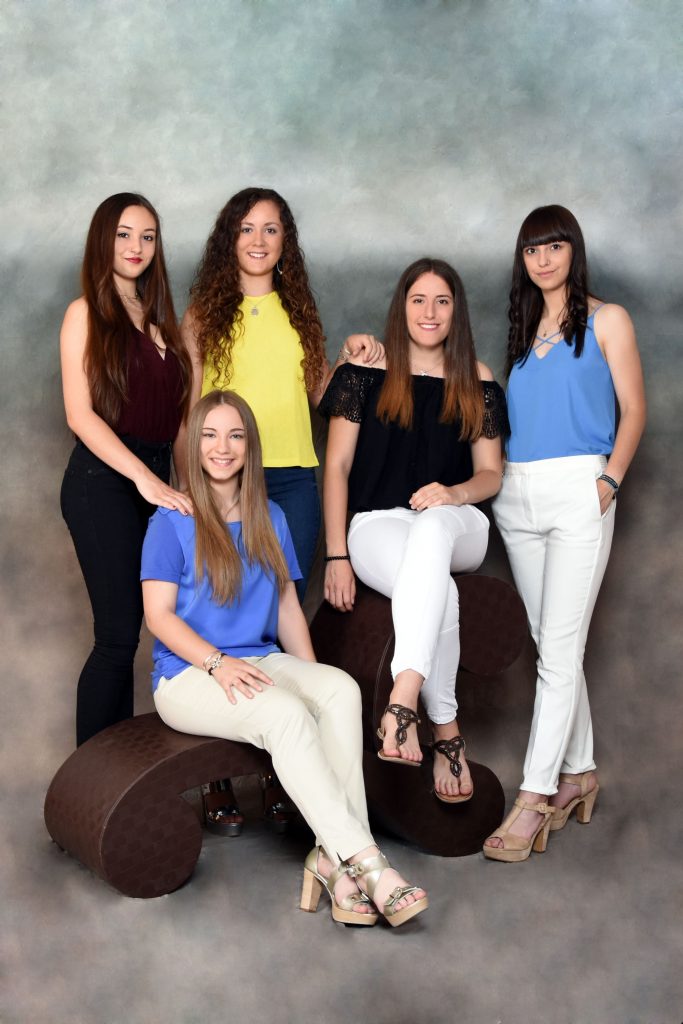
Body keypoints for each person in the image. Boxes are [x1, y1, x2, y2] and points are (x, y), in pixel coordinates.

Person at [141, 389, 428, 928]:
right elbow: (158, 617)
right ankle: (367, 863)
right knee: (286, 713)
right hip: (187, 675)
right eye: (209, 435)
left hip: (259, 660)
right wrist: (216, 663)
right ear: (194, 445)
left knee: (339, 689)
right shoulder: (171, 520)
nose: (222, 447)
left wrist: (314, 678)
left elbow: (287, 606)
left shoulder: (269, 516)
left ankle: (334, 861)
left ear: (250, 445)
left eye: (235, 435)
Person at [177, 187, 382, 832]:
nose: (259, 240)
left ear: (285, 242)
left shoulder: (298, 312)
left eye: (271, 229)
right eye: (247, 229)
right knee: (217, 611)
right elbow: (191, 410)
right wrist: (188, 486)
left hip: (292, 478)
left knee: (274, 619)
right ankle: (214, 777)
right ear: (228, 240)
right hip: (225, 477)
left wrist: (352, 358)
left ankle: (279, 769)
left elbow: (320, 394)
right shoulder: (203, 317)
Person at [483, 205, 646, 862]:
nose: (543, 259)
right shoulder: (524, 335)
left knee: (556, 650)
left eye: (554, 246)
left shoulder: (608, 319)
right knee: (550, 644)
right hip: (517, 496)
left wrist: (609, 481)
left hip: (580, 488)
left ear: (572, 251)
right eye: (532, 249)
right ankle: (579, 773)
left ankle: (534, 796)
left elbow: (634, 408)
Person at [320, 257, 507, 802]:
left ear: (456, 312)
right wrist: (336, 555)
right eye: (418, 300)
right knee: (435, 588)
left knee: (432, 530)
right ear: (401, 308)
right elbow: (337, 467)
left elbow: (491, 474)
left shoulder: (478, 379)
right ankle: (446, 730)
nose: (430, 312)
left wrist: (453, 494)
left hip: (458, 521)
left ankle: (402, 699)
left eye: (442, 301)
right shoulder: (364, 372)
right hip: (377, 525)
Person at [60, 193, 192, 746]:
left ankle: (114, 775)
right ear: (102, 240)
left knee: (139, 636)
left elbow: (178, 422)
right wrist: (144, 478)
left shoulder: (161, 321)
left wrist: (181, 487)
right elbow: (79, 414)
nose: (136, 246)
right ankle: (88, 783)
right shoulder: (85, 313)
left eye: (148, 236)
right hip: (103, 482)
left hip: (156, 483)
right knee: (116, 637)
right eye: (124, 234)